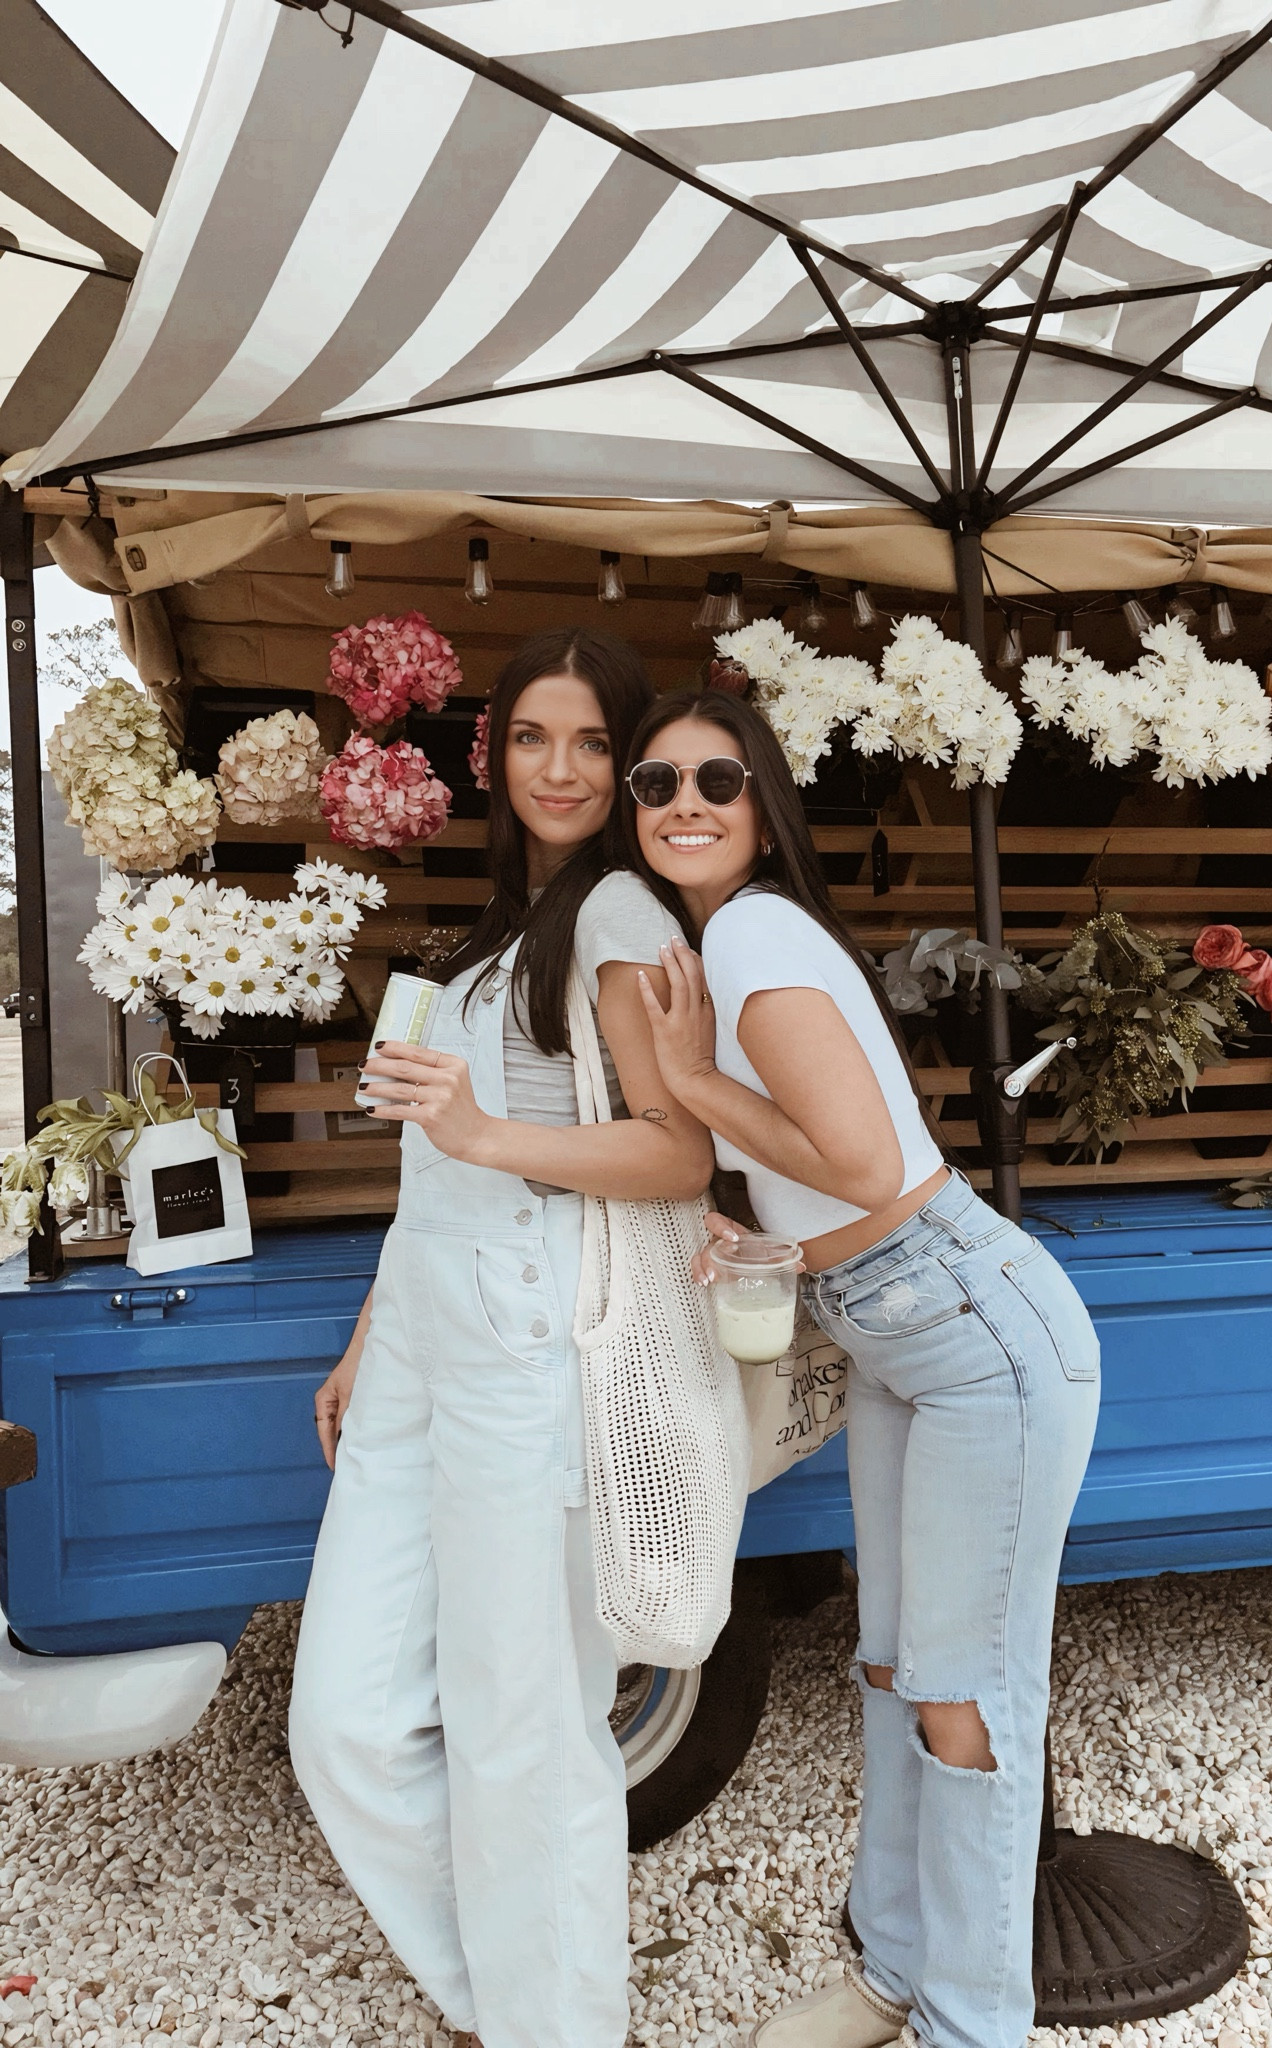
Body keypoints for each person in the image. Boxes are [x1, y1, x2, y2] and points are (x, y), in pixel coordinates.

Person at [623, 691, 1101, 2048]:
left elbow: (870, 1167)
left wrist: (685, 1076)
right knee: (892, 1671)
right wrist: (754, 1220)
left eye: (718, 777)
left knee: (961, 1697)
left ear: (766, 802)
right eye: (656, 783)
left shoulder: (758, 934)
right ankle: (892, 1972)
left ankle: (973, 2024)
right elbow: (822, 1168)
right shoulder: (733, 941)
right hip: (894, 1315)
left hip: (970, 1327)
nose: (685, 802)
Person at [288, 629, 713, 2048]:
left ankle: (555, 2026)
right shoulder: (493, 930)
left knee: (526, 1727)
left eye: (596, 743)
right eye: (534, 737)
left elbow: (677, 1157)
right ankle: (503, 2003)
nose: (562, 768)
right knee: (342, 1723)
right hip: (422, 1335)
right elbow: (436, 1175)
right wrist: (369, 1337)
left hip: (533, 1343)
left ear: (634, 762)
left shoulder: (615, 920)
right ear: (494, 757)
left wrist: (485, 1131)